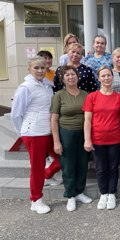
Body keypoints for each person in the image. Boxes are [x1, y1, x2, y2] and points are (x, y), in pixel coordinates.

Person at [11, 56, 60, 214]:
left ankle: (47, 175)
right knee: (37, 167)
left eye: (42, 68)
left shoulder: (47, 85)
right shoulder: (25, 88)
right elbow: (16, 114)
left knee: (62, 159)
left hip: (48, 131)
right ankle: (36, 199)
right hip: (33, 133)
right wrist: (23, 133)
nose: (40, 71)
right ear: (29, 69)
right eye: (36, 68)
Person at [51, 65, 92, 212]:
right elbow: (54, 120)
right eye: (67, 75)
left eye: (73, 74)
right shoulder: (59, 95)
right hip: (66, 133)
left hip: (83, 133)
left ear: (77, 76)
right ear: (62, 79)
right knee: (68, 166)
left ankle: (80, 192)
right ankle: (70, 195)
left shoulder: (85, 94)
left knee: (82, 164)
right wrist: (56, 141)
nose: (71, 77)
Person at [83, 66, 120, 210]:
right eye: (103, 76)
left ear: (112, 77)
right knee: (100, 168)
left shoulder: (118, 97)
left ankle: (112, 193)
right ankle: (103, 193)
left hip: (115, 138)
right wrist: (87, 139)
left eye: (109, 75)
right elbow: (87, 120)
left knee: (113, 167)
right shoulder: (92, 97)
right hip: (97, 138)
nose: (106, 78)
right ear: (98, 78)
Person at [37, 50, 63, 186]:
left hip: (54, 110)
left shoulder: (55, 73)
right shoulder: (35, 76)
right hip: (41, 116)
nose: (47, 61)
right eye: (44, 58)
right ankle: (46, 169)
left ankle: (49, 172)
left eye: (49, 58)